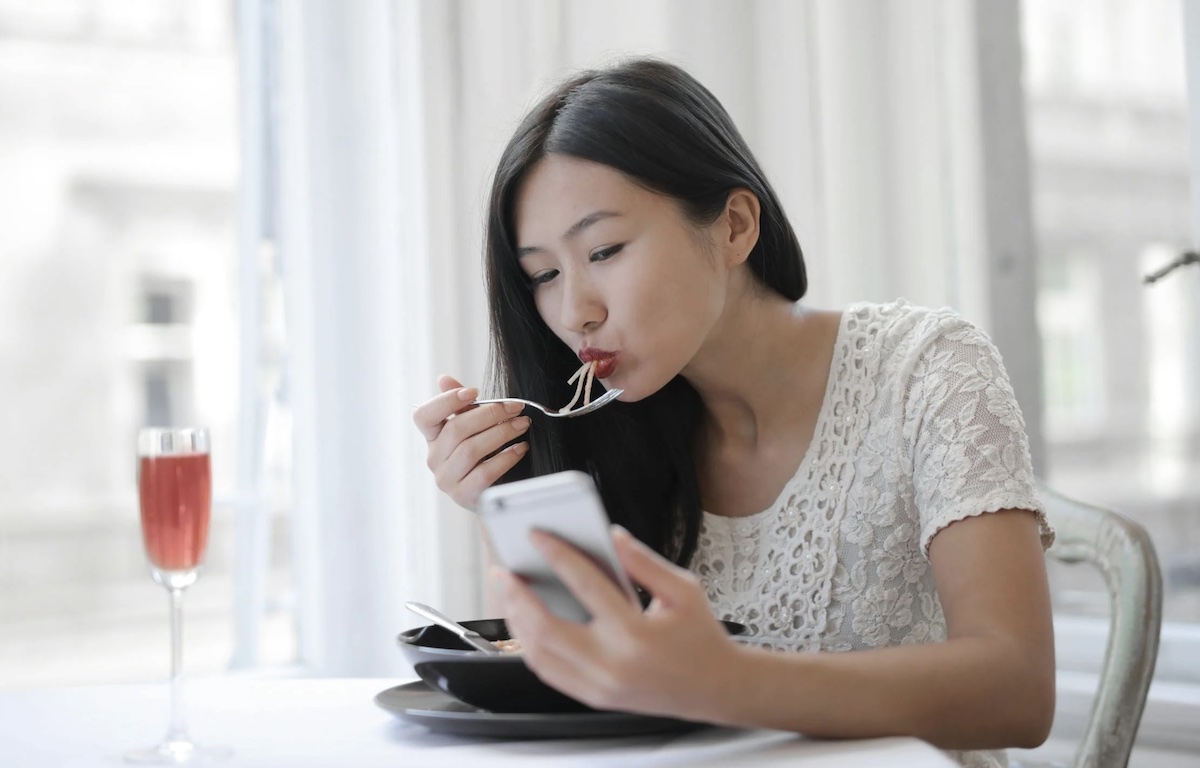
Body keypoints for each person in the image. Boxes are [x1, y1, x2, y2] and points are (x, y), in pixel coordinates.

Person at [413, 57, 1055, 768]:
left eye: (604, 249)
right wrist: (507, 504)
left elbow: (1016, 691)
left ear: (735, 227)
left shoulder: (927, 370)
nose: (575, 312)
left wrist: (724, 683)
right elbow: (591, 696)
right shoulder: (604, 431)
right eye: (544, 274)